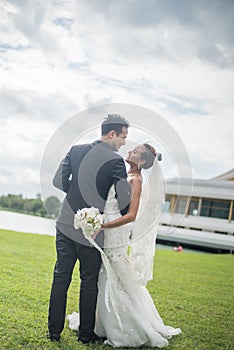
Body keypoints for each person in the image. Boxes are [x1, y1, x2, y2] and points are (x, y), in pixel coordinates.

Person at [67, 143, 182, 348]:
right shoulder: (121, 174)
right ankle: (99, 324)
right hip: (105, 226)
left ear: (143, 161)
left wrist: (103, 225)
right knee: (105, 274)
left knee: (118, 273)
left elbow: (131, 215)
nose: (129, 151)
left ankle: (131, 325)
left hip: (115, 231)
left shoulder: (136, 180)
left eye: (135, 152)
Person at [47, 114, 131, 343]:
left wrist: (76, 194)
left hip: (66, 222)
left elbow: (58, 181)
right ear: (112, 134)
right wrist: (124, 214)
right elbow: (123, 198)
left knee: (60, 277)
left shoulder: (75, 150)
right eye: (123, 137)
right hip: (92, 232)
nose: (124, 142)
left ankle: (54, 332)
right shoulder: (116, 162)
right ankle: (85, 335)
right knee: (89, 282)